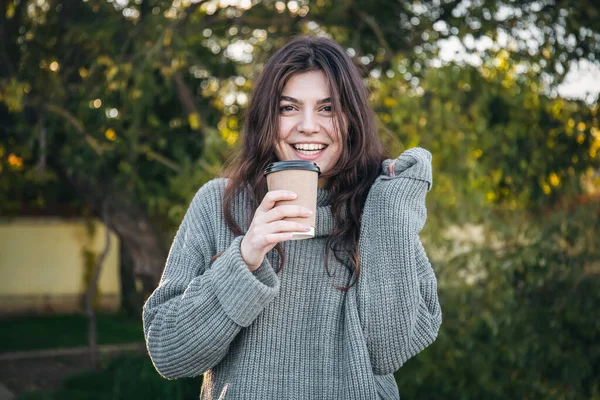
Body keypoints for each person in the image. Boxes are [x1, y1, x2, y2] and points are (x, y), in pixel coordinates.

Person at [142, 35, 442, 399]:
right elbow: (170, 354)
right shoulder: (218, 204)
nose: (308, 125)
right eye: (289, 108)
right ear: (268, 117)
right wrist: (244, 258)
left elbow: (388, 351)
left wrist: (389, 209)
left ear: (352, 120)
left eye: (327, 108)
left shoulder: (378, 210)